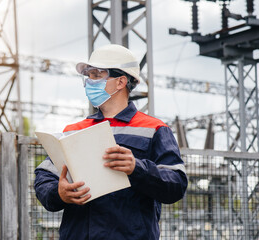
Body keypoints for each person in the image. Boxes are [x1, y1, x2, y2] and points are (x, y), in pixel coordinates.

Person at [34, 44, 188, 240]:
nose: (90, 81)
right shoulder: (73, 131)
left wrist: (137, 168)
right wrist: (59, 193)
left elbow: (176, 184)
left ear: (121, 81)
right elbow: (44, 177)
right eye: (88, 75)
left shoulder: (155, 129)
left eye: (97, 75)